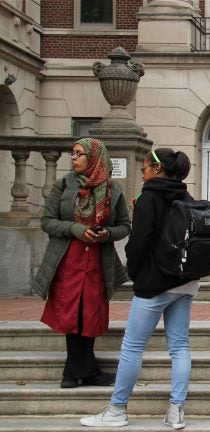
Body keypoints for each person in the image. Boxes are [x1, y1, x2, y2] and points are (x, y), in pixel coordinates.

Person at [81, 148, 198, 429]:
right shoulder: (187, 197)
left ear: (157, 169)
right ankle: (176, 411)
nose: (142, 171)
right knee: (180, 346)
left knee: (132, 347)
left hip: (154, 283)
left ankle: (117, 410)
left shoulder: (150, 197)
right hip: (185, 281)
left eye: (145, 166)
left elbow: (139, 243)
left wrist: (135, 272)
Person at [30, 138, 130, 389]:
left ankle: (73, 373)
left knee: (89, 314)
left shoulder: (112, 190)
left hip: (97, 261)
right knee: (71, 312)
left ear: (94, 157)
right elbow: (47, 221)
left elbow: (124, 227)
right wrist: (75, 228)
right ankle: (85, 371)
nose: (73, 158)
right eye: (72, 154)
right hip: (67, 260)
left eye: (78, 154)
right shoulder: (63, 185)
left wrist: (106, 234)